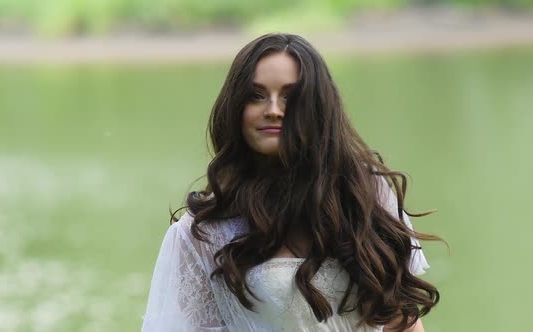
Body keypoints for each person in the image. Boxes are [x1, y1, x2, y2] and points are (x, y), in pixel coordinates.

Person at [141, 33, 440, 332]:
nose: (273, 109)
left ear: (317, 107)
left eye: (290, 96)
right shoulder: (205, 231)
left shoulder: (365, 194)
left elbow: (402, 322)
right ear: (236, 107)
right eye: (256, 95)